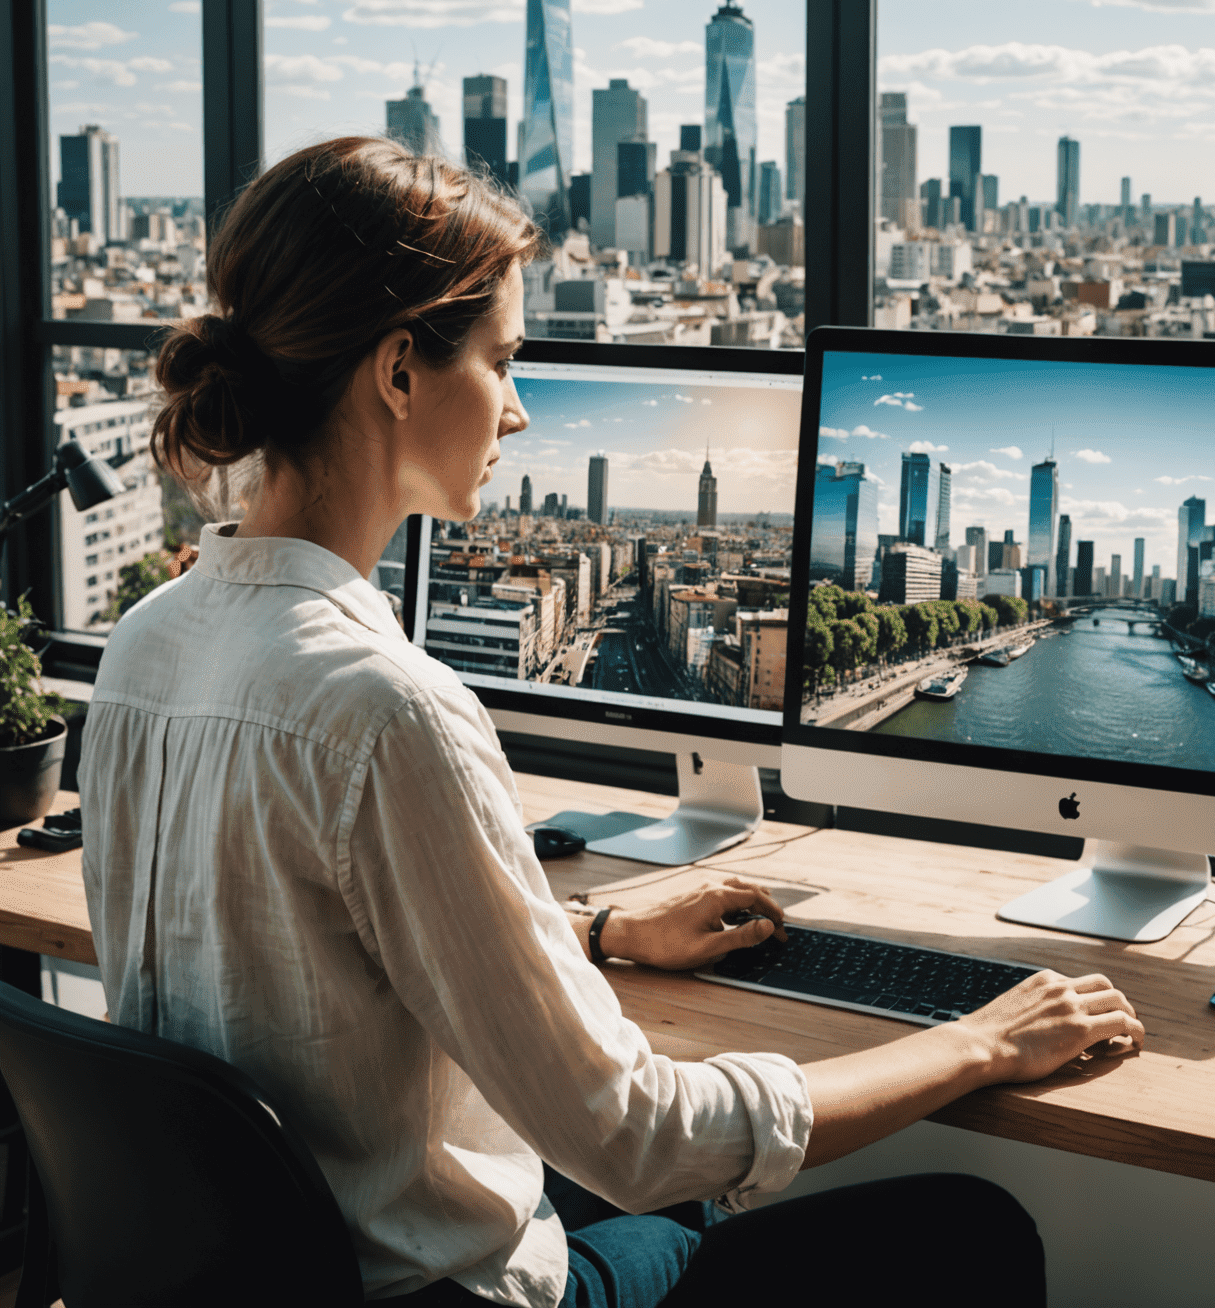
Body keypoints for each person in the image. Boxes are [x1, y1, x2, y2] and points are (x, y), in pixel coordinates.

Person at [79, 137, 1143, 1307]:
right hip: (434, 1291)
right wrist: (976, 1043)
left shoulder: (148, 644)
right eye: (501, 360)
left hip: (270, 1268)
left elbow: (308, 987)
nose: (521, 410)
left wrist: (589, 941)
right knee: (965, 1228)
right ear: (397, 373)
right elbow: (638, 1137)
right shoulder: (388, 712)